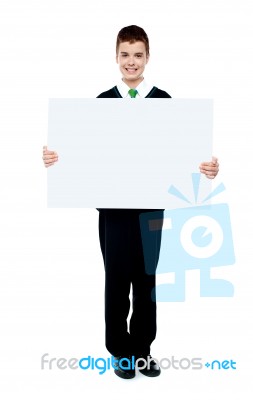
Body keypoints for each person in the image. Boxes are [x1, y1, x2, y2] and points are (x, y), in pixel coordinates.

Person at [42, 25, 219, 379]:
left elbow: (182, 154)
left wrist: (207, 169)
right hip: (114, 211)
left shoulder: (164, 101)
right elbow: (84, 154)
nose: (131, 62)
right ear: (116, 57)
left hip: (151, 210)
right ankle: (120, 351)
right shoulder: (102, 103)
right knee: (117, 281)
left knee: (147, 281)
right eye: (125, 54)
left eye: (138, 55)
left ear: (147, 57)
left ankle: (142, 350)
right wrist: (57, 159)